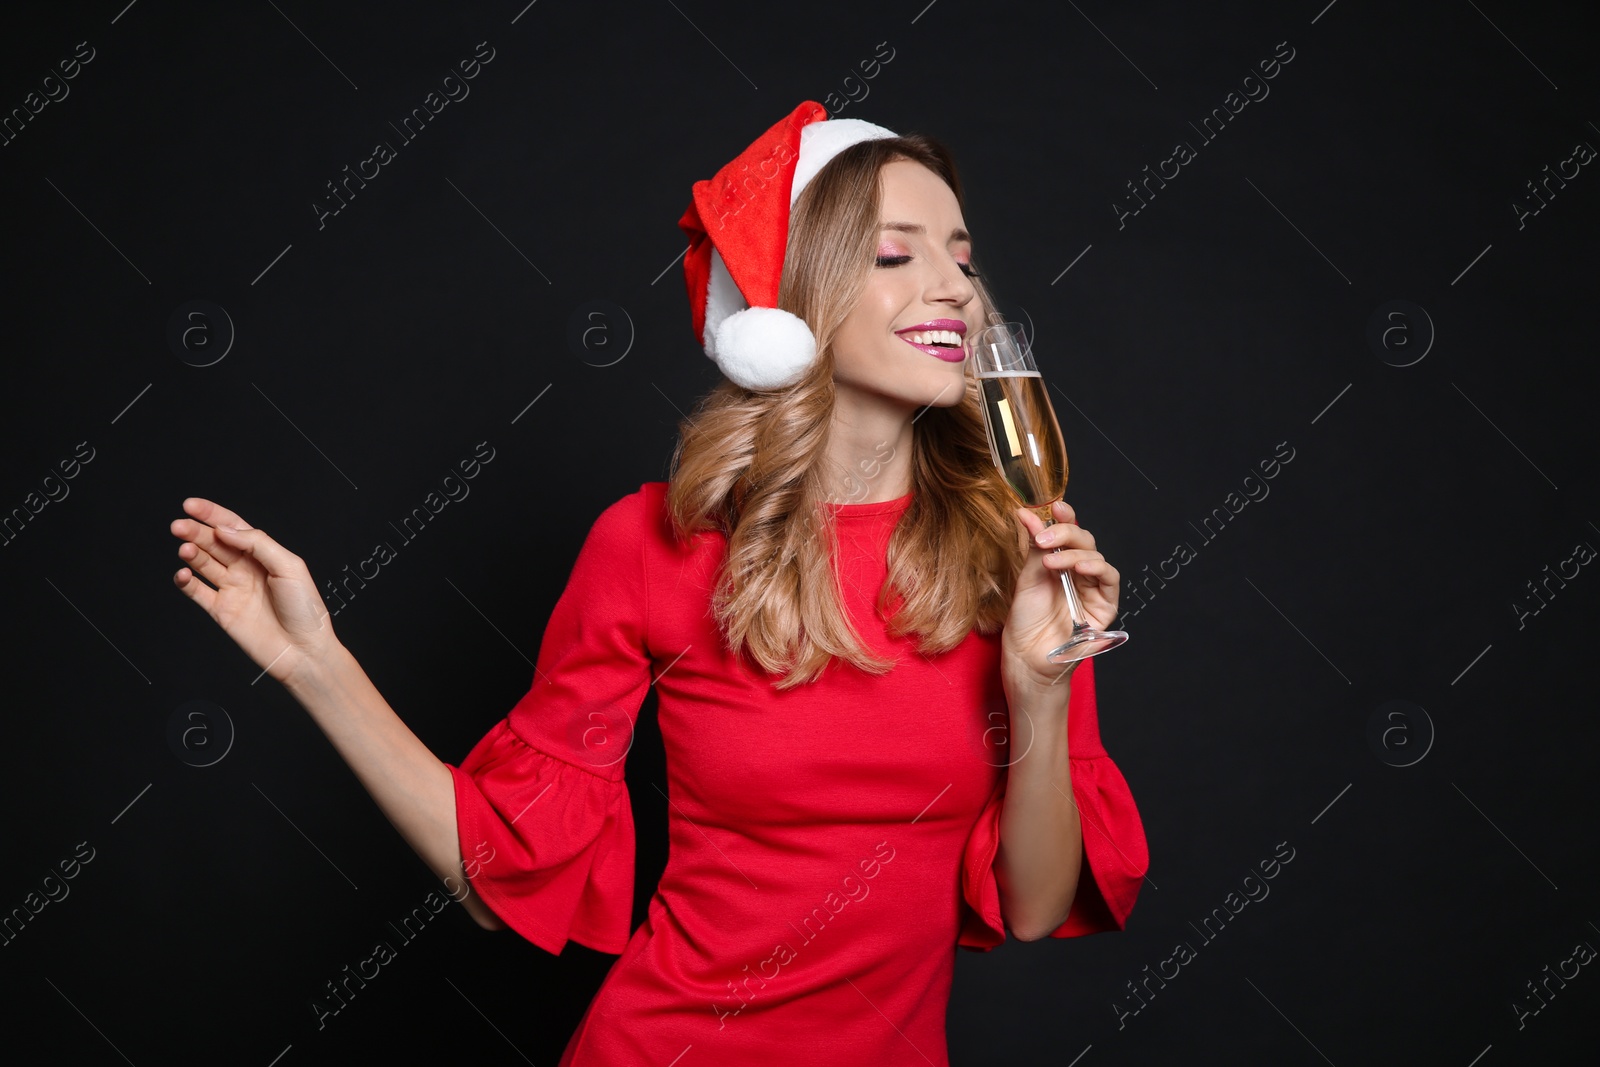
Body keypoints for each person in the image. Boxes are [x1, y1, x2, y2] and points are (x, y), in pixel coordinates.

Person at [169, 100, 1149, 1065]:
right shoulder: (652, 545)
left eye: (963, 255)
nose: (956, 289)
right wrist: (311, 659)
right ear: (790, 305)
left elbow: (1034, 905)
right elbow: (496, 874)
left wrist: (1040, 685)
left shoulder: (1009, 562)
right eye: (897, 255)